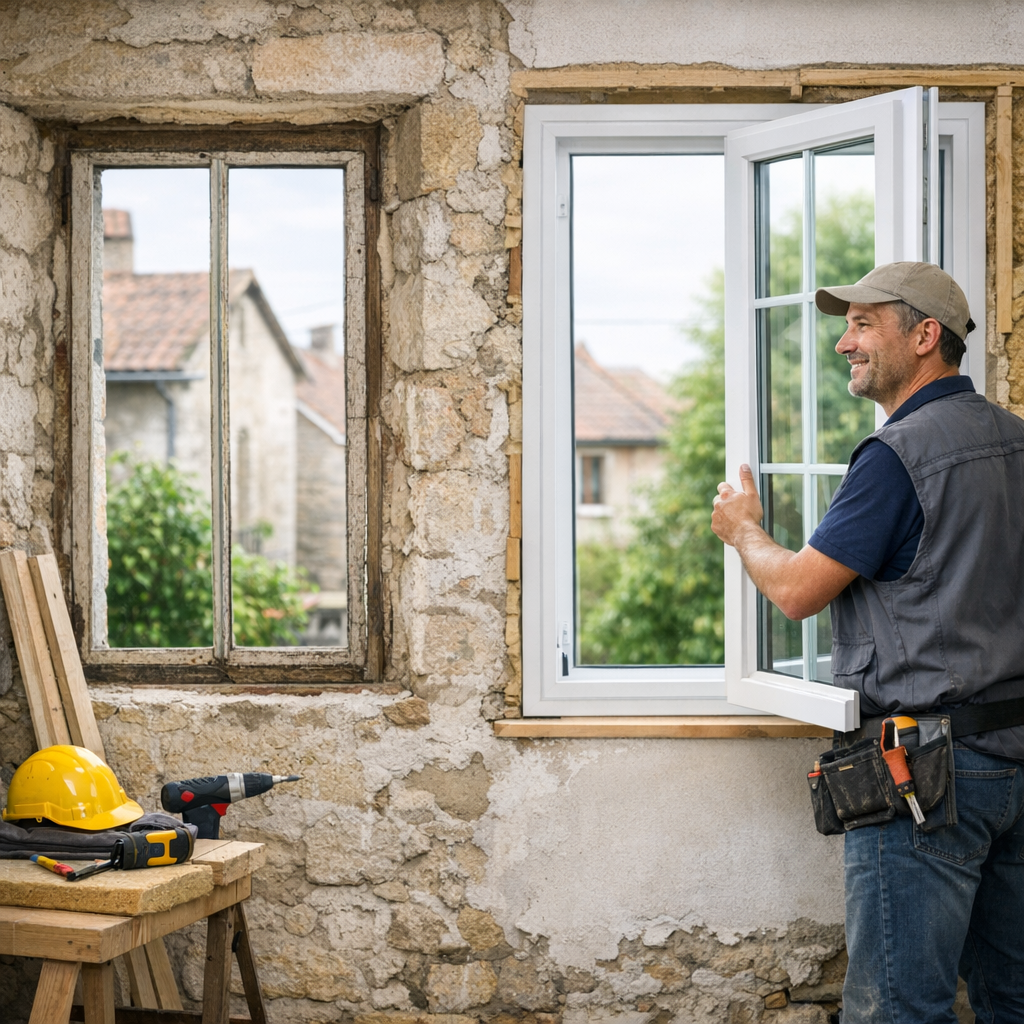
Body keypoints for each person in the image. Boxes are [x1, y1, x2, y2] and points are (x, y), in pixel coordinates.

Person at [710, 261, 1024, 1024]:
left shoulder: (896, 457)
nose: (845, 342)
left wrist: (743, 530)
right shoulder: (1015, 441)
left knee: (898, 1010)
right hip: (1016, 758)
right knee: (1013, 1002)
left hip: (929, 777)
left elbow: (796, 591)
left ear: (924, 336)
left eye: (863, 323)